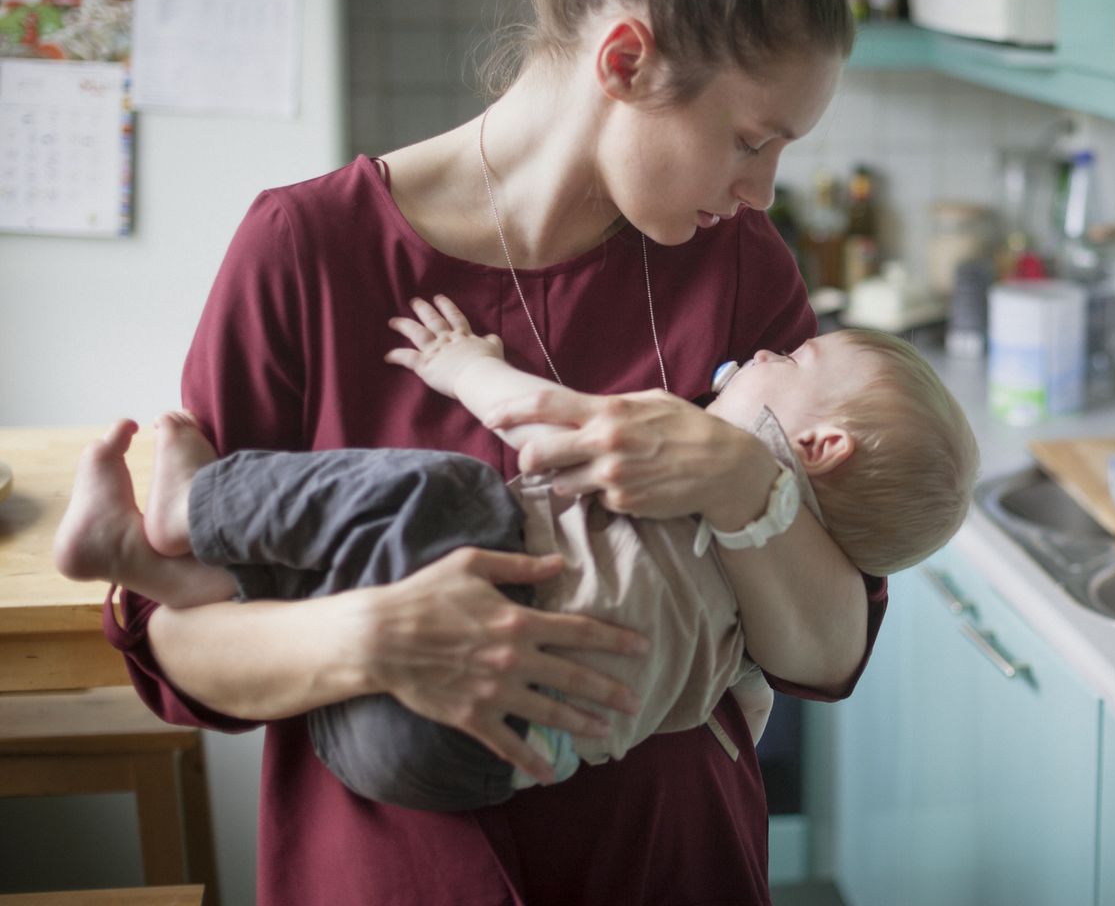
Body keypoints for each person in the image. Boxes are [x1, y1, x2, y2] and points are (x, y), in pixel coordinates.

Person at [101, 0, 887, 902]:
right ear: (625, 62)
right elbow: (173, 646)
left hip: (672, 866)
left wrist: (744, 481)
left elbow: (828, 654)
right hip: (400, 870)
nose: (761, 189)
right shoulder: (307, 249)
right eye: (753, 140)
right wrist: (373, 638)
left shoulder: (738, 268)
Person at [56, 294, 979, 811]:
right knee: (347, 571)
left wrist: (461, 363)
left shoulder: (699, 454)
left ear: (817, 447)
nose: (761, 358)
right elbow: (756, 703)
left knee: (447, 496)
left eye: (792, 361)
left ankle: (188, 511)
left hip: (427, 711)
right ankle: (169, 572)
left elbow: (538, 429)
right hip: (459, 771)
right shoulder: (754, 634)